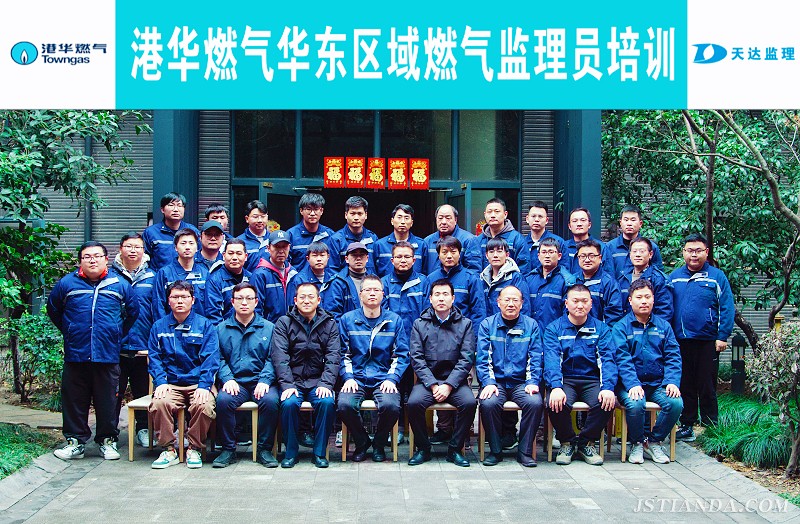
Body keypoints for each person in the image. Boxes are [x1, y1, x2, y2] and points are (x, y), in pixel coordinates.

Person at [48, 241, 139, 461]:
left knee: (107, 400)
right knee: (74, 400)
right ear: (80, 260)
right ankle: (75, 442)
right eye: (87, 256)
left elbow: (133, 313)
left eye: (97, 256)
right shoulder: (67, 283)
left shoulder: (119, 283)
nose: (92, 260)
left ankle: (107, 441)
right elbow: (54, 310)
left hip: (107, 354)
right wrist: (71, 331)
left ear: (106, 259)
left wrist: (115, 334)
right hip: (76, 353)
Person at [337, 275, 410, 462]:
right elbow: (342, 354)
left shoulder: (394, 321)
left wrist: (392, 379)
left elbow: (402, 355)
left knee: (391, 406)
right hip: (356, 378)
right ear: (360, 295)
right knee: (344, 405)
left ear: (383, 295)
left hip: (383, 378)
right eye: (367, 290)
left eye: (376, 290)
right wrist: (348, 377)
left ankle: (378, 444)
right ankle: (362, 442)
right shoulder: (347, 320)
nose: (372, 293)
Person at [148, 280, 219, 469]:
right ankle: (168, 449)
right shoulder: (159, 327)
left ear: (193, 300)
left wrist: (204, 385)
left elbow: (211, 359)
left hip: (197, 383)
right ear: (168, 300)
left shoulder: (205, 326)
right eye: (175, 297)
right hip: (170, 383)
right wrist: (160, 382)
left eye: (184, 297)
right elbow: (154, 358)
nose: (180, 301)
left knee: (204, 405)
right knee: (159, 403)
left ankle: (194, 448)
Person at [544, 284, 618, 466]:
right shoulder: (554, 329)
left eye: (584, 301)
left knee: (606, 402)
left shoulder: (601, 329)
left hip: (591, 379)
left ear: (591, 304)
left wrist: (608, 388)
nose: (580, 305)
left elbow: (607, 360)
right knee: (555, 402)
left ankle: (586, 443)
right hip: (566, 379)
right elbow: (552, 360)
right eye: (575, 301)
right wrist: (556, 386)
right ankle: (567, 443)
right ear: (566, 303)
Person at [670, 233, 734, 442]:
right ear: (683, 252)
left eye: (698, 251)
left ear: (706, 252)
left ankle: (710, 426)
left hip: (708, 340)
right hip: (680, 340)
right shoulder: (674, 277)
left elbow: (727, 307)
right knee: (685, 383)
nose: (694, 255)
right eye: (690, 250)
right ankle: (687, 424)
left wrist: (722, 336)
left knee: (707, 384)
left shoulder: (716, 276)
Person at [271, 282, 341, 468]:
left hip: (318, 381)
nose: (306, 300)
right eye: (302, 297)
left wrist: (326, 384)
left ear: (318, 300)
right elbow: (280, 357)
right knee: (289, 404)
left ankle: (319, 453)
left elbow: (333, 357)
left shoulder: (329, 324)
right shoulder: (284, 323)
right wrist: (287, 385)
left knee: (326, 402)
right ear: (295, 300)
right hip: (293, 381)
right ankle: (291, 453)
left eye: (311, 297)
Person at [407, 279, 476, 467]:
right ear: (430, 299)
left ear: (453, 298)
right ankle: (423, 448)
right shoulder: (420, 324)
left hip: (455, 382)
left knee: (469, 403)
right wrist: (432, 384)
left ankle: (454, 450)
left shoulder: (465, 324)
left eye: (445, 294)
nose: (441, 298)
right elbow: (416, 358)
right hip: (428, 382)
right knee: (413, 403)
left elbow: (466, 358)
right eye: (437, 294)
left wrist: (448, 385)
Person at [613, 279, 683, 464]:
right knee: (636, 404)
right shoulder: (621, 327)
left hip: (657, 383)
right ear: (630, 300)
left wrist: (672, 381)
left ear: (653, 299)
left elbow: (673, 356)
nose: (643, 301)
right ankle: (636, 443)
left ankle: (653, 441)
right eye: (639, 297)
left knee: (675, 403)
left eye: (647, 297)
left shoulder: (664, 326)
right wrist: (632, 384)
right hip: (629, 385)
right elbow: (622, 359)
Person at [424, 236, 485, 444]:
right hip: (436, 342)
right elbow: (426, 311)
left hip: (462, 341)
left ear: (460, 253)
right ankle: (444, 429)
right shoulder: (431, 278)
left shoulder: (471, 278)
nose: (449, 256)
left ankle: (462, 433)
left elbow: (478, 312)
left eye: (453, 251)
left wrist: (473, 342)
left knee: (460, 384)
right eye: (444, 252)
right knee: (439, 378)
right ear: (438, 255)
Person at [212, 282, 280, 468]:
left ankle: (264, 449)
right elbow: (218, 358)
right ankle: (228, 449)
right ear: (232, 301)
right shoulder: (221, 329)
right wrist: (227, 379)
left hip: (261, 381)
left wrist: (265, 380)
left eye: (249, 298)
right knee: (223, 401)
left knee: (271, 401)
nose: (244, 303)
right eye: (239, 298)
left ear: (256, 302)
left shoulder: (269, 328)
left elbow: (274, 358)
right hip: (236, 382)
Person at [476, 286, 543, 467]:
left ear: (522, 303)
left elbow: (535, 356)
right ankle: (495, 451)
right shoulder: (487, 325)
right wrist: (488, 382)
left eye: (515, 300)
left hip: (521, 383)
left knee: (535, 402)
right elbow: (483, 358)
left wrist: (532, 382)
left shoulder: (531, 325)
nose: (511, 304)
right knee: (488, 403)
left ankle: (525, 452)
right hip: (496, 382)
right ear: (498, 302)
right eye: (506, 300)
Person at [110, 233, 155, 448]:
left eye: (137, 246)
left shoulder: (153, 276)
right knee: (112, 393)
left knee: (143, 392)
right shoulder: (110, 276)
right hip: (116, 347)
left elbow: (158, 310)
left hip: (143, 346)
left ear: (143, 250)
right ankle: (109, 433)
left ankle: (143, 429)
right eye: (129, 246)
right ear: (120, 248)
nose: (133, 250)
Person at [380, 241, 429, 443]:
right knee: (395, 389)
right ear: (392, 260)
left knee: (416, 391)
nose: (403, 260)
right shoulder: (384, 283)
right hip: (391, 348)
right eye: (399, 257)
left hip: (418, 346)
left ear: (414, 260)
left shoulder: (423, 282)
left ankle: (417, 432)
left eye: (407, 257)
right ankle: (397, 429)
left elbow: (427, 315)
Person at [151, 228, 209, 320]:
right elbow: (158, 306)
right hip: (171, 326)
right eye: (183, 243)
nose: (187, 247)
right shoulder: (164, 273)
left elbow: (210, 305)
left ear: (197, 247)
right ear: (175, 247)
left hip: (199, 326)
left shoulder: (205, 273)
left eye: (191, 243)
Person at [617, 237, 673, 321]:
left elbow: (664, 311)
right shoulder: (623, 277)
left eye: (642, 251)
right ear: (630, 254)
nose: (638, 255)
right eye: (634, 251)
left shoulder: (659, 279)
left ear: (650, 254)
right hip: (626, 326)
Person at [525, 237, 574, 331]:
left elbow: (568, 315)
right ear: (538, 256)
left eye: (551, 252)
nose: (547, 256)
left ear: (559, 256)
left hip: (554, 334)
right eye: (544, 252)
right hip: (531, 334)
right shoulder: (529, 279)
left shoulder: (566, 281)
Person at [142, 192, 200, 271]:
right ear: (162, 209)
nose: (176, 209)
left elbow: (199, 256)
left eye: (179, 205)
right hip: (160, 277)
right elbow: (144, 259)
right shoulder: (151, 232)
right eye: (171, 205)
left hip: (187, 276)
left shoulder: (192, 231)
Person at [603, 204, 664, 278]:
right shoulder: (610, 247)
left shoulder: (651, 247)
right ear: (620, 223)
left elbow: (659, 274)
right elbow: (607, 274)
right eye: (626, 220)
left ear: (640, 224)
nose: (629, 223)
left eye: (633, 220)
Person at [573, 239, 624, 327]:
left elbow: (614, 316)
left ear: (600, 258)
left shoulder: (609, 283)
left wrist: (603, 333)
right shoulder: (572, 280)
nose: (587, 260)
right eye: (583, 256)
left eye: (591, 256)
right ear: (578, 258)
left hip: (599, 333)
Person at [252, 230, 298, 323]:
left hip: (291, 327)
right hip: (269, 328)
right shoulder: (260, 275)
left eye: (284, 247)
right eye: (277, 246)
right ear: (268, 248)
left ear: (289, 247)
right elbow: (256, 309)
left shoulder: (293, 273)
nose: (281, 251)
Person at [473, 198, 529, 274]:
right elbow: (474, 268)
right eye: (489, 212)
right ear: (485, 215)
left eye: (497, 212)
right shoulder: (478, 240)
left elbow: (524, 269)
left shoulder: (517, 239)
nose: (493, 215)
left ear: (505, 214)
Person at [204, 238, 251, 325]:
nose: (234, 258)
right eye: (231, 253)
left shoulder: (251, 278)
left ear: (245, 257)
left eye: (239, 253)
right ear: (224, 255)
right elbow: (214, 315)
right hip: (226, 330)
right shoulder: (215, 280)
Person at [480, 237, 531, 317]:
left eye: (499, 251)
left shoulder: (516, 278)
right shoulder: (482, 279)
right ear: (486, 255)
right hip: (487, 324)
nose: (495, 255)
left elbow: (524, 307)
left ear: (507, 255)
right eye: (491, 252)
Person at [423, 204, 481, 272]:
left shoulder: (469, 240)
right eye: (440, 218)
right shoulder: (427, 241)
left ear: (455, 220)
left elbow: (474, 271)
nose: (443, 222)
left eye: (448, 218)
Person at [374, 204, 428, 277]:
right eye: (399, 217)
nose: (403, 222)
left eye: (406, 218)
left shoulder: (421, 245)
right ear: (392, 221)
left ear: (411, 223)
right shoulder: (380, 245)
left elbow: (425, 272)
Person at [328, 196, 378, 273]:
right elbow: (332, 269)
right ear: (346, 215)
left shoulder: (372, 238)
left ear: (366, 215)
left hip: (369, 280)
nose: (356, 218)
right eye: (352, 213)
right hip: (344, 280)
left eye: (360, 214)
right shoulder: (336, 239)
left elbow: (378, 267)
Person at [286, 193, 335, 273]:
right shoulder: (291, 235)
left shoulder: (330, 235)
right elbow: (285, 263)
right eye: (308, 209)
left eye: (316, 209)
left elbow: (335, 263)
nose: (312, 213)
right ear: (301, 211)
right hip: (298, 280)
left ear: (321, 211)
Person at [286, 241, 339, 313]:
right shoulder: (299, 280)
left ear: (328, 257)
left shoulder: (334, 279)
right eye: (315, 255)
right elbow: (292, 308)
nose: (319, 259)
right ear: (308, 258)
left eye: (322, 255)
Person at [326, 241, 370, 317]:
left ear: (367, 258)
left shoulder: (374, 281)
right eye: (354, 255)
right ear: (346, 259)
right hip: (347, 324)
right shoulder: (338, 283)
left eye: (362, 255)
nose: (358, 258)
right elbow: (333, 314)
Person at [523, 201, 566, 273]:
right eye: (533, 216)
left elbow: (564, 269)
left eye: (540, 216)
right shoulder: (522, 243)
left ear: (546, 220)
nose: (536, 219)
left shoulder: (558, 242)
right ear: (527, 219)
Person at [562, 207, 605, 275]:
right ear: (569, 226)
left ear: (589, 225)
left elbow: (608, 273)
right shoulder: (563, 247)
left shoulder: (601, 247)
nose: (579, 224)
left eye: (583, 220)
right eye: (575, 221)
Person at [237, 200, 270, 273]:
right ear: (247, 219)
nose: (260, 220)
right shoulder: (239, 242)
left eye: (263, 216)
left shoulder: (273, 240)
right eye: (255, 217)